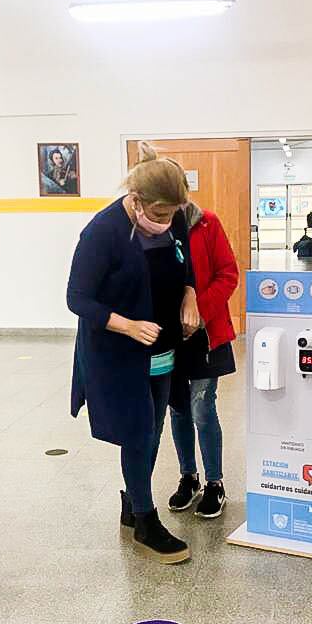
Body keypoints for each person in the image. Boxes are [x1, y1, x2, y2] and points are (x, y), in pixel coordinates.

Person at [67, 142, 199, 563]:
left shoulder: (174, 219)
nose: (165, 222)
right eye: (158, 214)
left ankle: (132, 502)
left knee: (153, 427)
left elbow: (186, 261)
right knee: (138, 431)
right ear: (136, 200)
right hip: (119, 351)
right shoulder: (102, 232)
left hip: (162, 347)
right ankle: (145, 519)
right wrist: (127, 325)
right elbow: (78, 299)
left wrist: (190, 294)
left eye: (171, 214)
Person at [168, 202, 238, 518]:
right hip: (170, 337)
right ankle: (189, 477)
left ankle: (214, 482)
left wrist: (198, 313)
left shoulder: (208, 223)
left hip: (206, 334)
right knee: (178, 409)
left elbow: (228, 274)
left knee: (202, 408)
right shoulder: (156, 226)